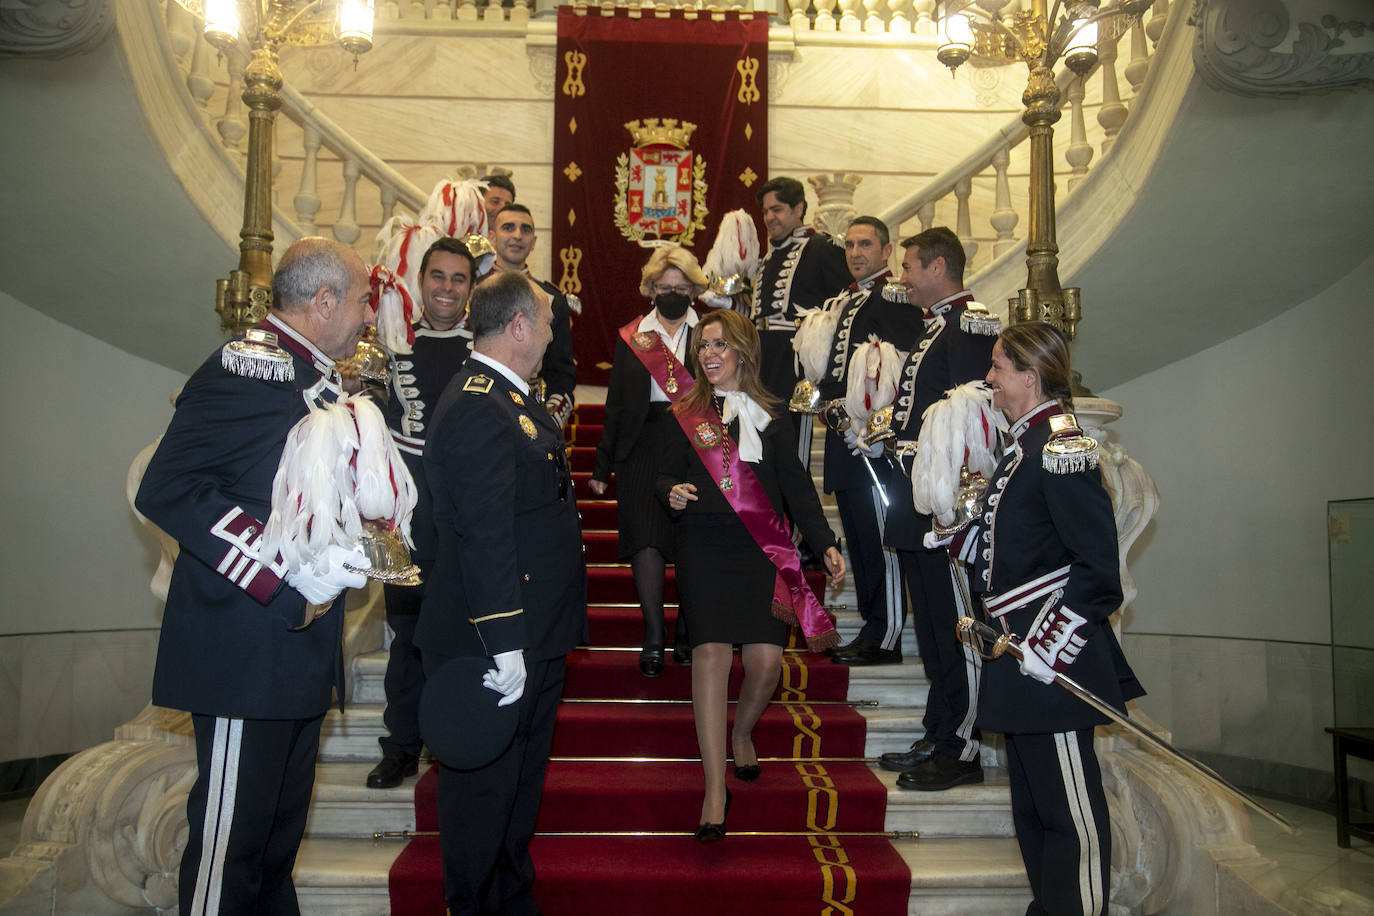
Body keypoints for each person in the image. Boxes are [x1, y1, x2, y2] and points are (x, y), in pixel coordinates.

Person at [135, 237, 375, 914]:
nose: (366, 315)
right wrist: (282, 582)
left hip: (293, 653)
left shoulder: (309, 375)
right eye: (361, 299)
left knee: (272, 852)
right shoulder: (248, 368)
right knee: (230, 854)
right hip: (246, 648)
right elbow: (169, 487)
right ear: (323, 301)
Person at [416, 270, 588, 915]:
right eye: (547, 321)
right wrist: (506, 638)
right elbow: (485, 533)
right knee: (484, 798)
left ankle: (511, 900)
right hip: (492, 639)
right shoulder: (478, 402)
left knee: (518, 792)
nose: (552, 332)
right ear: (518, 326)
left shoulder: (511, 397)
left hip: (532, 631)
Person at [962, 320, 1144, 915]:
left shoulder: (1060, 446)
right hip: (1019, 656)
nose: (990, 379)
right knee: (1035, 812)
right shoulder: (1023, 445)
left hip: (1051, 658)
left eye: (998, 368)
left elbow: (1098, 571)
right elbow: (1016, 550)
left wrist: (1048, 643)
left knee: (1072, 820)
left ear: (1030, 376)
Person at [656, 309, 845, 841]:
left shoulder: (774, 414)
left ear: (742, 350)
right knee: (712, 654)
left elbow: (798, 487)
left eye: (719, 345)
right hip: (702, 545)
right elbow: (663, 474)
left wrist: (826, 543)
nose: (708, 354)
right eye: (703, 347)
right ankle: (715, 787)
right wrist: (670, 492)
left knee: (765, 664)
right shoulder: (687, 411)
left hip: (760, 551)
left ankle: (742, 731)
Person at [874, 226, 1001, 789]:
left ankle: (964, 745)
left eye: (909, 266)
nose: (902, 277)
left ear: (939, 267)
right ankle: (940, 728)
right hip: (918, 501)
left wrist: (953, 505)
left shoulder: (968, 325)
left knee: (955, 626)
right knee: (930, 628)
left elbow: (971, 426)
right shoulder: (934, 328)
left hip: (945, 509)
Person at [366, 236, 478, 790]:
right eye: (438, 276)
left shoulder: (485, 351)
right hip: (404, 518)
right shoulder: (392, 349)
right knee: (404, 635)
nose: (447, 289)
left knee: (453, 635)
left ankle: (445, 736)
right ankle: (401, 745)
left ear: (471, 289)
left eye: (459, 279)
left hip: (461, 516)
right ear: (422, 279)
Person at [810, 216, 925, 668]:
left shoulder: (894, 300)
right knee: (860, 540)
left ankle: (888, 633)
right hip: (844, 443)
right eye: (851, 245)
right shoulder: (848, 301)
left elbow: (899, 374)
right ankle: (873, 625)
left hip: (873, 447)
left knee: (882, 541)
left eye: (866, 244)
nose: (856, 253)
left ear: (886, 251)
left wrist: (873, 428)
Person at [588, 244, 705, 676]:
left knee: (693, 537)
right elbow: (617, 402)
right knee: (646, 540)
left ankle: (688, 632)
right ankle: (654, 633)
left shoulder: (711, 331)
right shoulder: (633, 335)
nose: (671, 293)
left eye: (680, 287)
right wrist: (602, 465)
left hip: (696, 438)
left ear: (693, 290)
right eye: (663, 286)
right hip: (641, 444)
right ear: (651, 289)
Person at [749, 176, 851, 466]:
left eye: (777, 209)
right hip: (763, 360)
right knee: (764, 451)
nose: (770, 217)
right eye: (766, 211)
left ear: (798, 209)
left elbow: (844, 306)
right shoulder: (769, 257)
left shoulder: (821, 248)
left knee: (793, 455)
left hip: (795, 364)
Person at [485, 202, 578, 427]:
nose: (517, 235)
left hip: (533, 415)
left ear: (534, 242)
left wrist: (548, 423)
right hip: (481, 410)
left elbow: (562, 374)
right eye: (508, 227)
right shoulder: (473, 294)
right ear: (492, 237)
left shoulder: (552, 299)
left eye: (525, 230)